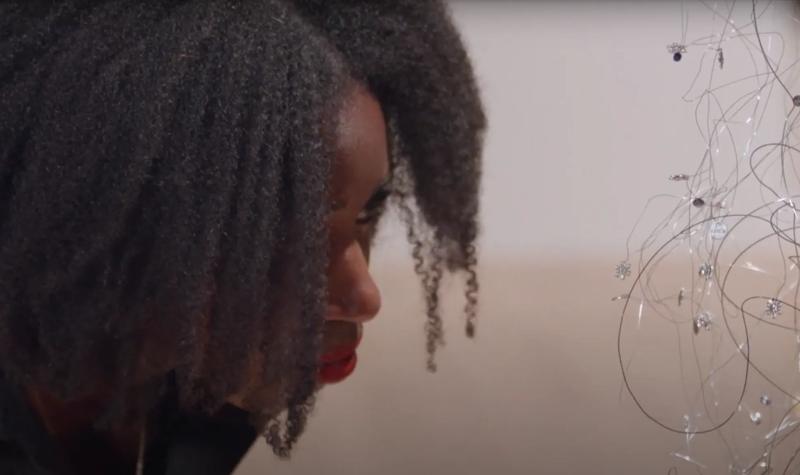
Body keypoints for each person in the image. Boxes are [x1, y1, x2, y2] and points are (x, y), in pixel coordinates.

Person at [0, 0, 485, 473]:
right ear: (117, 217)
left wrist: (232, 410)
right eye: (282, 235)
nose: (364, 297)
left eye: (368, 210)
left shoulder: (166, 375)